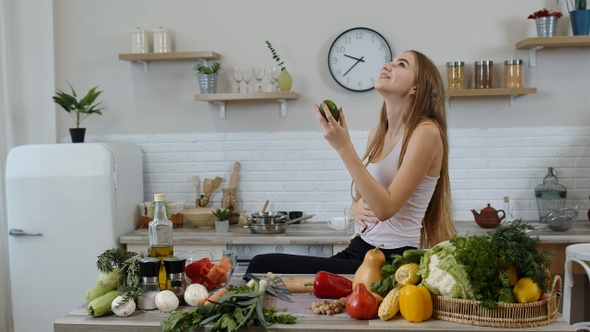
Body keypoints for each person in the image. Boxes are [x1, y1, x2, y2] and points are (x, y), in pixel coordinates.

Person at [246, 50, 456, 275]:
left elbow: (385, 208)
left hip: (391, 261)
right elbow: (366, 194)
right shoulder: (378, 134)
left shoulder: (426, 132)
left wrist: (343, 147)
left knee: (261, 265)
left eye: (401, 64)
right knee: (266, 268)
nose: (388, 65)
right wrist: (354, 206)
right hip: (359, 250)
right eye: (391, 61)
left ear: (417, 88)